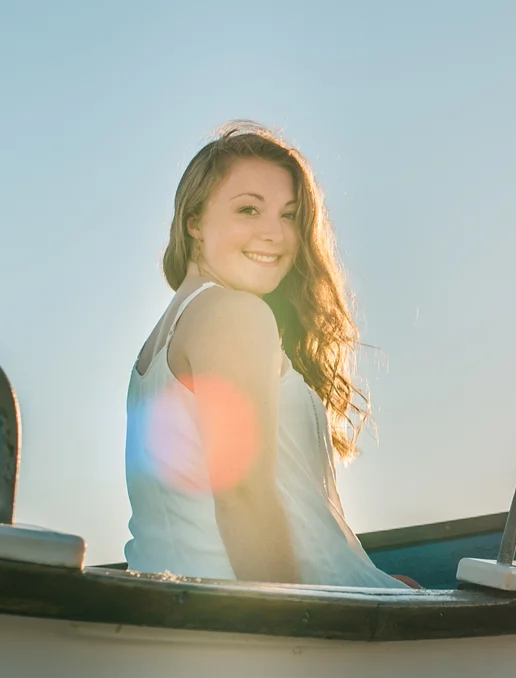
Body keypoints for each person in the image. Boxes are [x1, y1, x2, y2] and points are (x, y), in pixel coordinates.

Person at [125, 123, 406, 588]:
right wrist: (290, 626)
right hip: (257, 626)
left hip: (189, 611)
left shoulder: (157, 345)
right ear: (194, 221)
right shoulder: (233, 312)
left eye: (289, 215)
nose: (274, 234)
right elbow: (244, 496)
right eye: (249, 209)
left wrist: (363, 576)